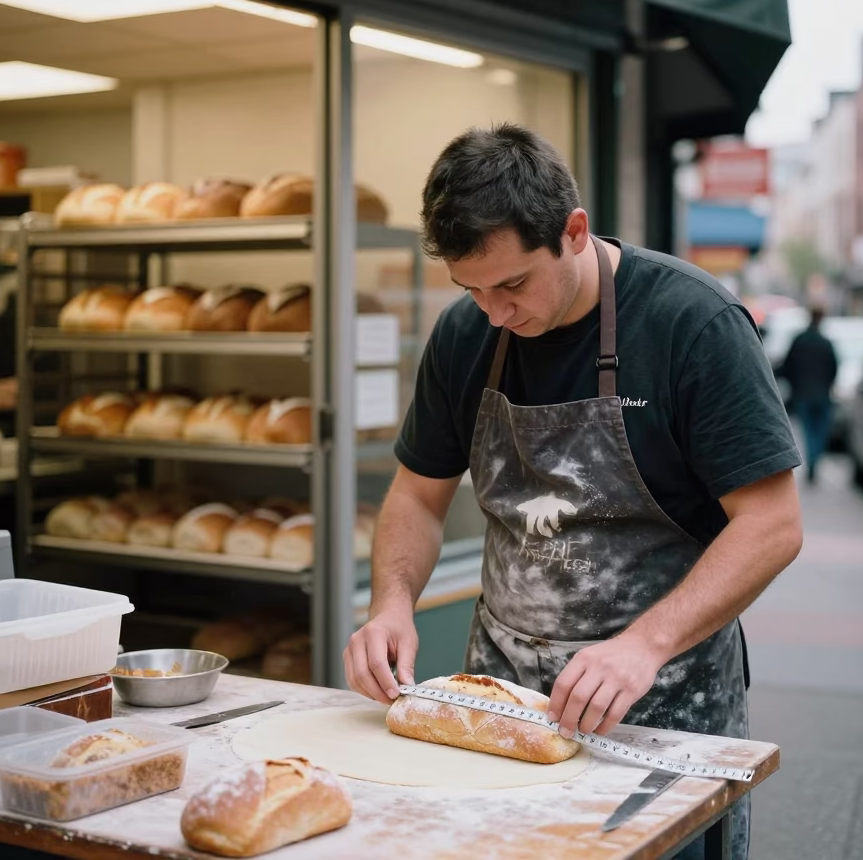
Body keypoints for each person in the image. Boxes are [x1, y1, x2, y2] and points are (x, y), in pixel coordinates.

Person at [344, 124, 803, 860]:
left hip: (662, 711)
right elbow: (416, 497)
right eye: (472, 289)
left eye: (513, 285)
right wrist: (391, 603)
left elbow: (772, 524)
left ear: (574, 232)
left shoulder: (692, 324)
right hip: (500, 710)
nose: (494, 311)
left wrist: (643, 645)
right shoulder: (466, 335)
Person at [777, 307, 838, 484]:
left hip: (803, 395)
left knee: (809, 431)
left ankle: (812, 461)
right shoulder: (825, 342)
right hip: (822, 396)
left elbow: (788, 366)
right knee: (820, 432)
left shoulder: (800, 340)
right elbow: (833, 368)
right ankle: (814, 461)